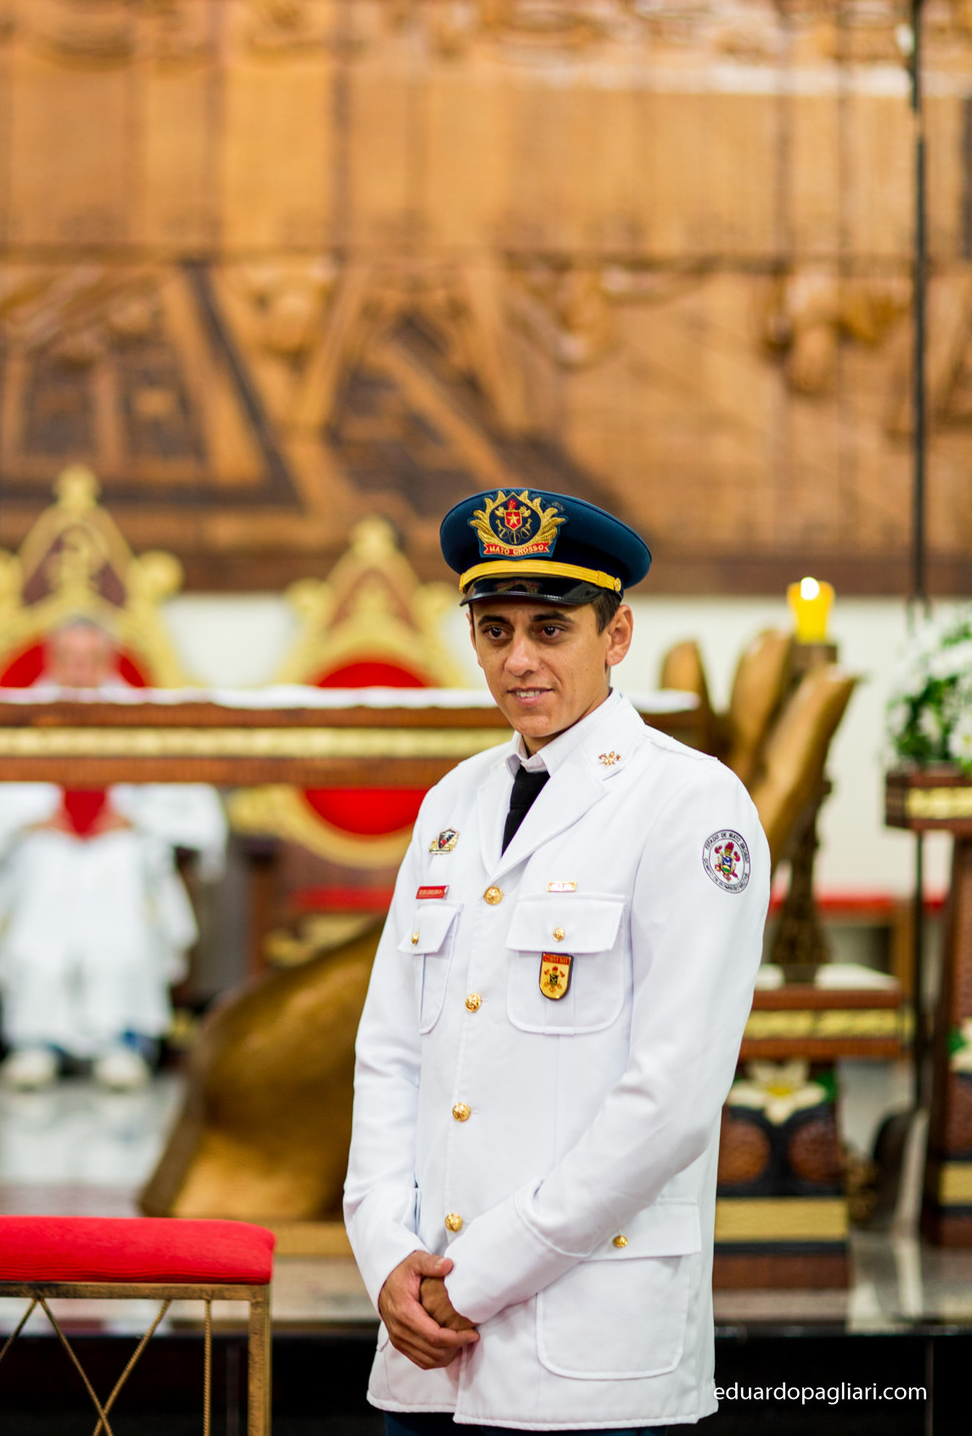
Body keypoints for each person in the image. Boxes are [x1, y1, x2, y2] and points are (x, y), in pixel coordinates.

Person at [344, 488, 769, 1432]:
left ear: (616, 635)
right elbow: (390, 1054)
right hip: (426, 1339)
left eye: (551, 628)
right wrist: (384, 1253)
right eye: (494, 631)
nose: (519, 659)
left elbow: (671, 1100)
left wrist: (483, 1276)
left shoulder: (690, 806)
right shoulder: (450, 805)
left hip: (588, 1347)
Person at [0, 619, 227, 1092]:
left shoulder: (144, 718)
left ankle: (122, 1040)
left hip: (120, 845)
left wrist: (137, 820)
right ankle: (35, 1040)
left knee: (118, 867)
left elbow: (189, 803)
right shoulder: (17, 716)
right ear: (51, 661)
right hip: (39, 846)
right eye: (69, 659)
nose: (79, 670)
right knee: (46, 866)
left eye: (90, 659)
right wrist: (28, 819)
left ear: (109, 661)